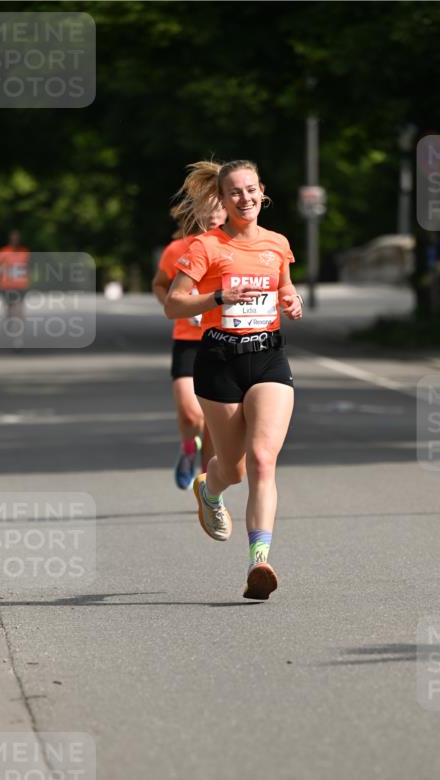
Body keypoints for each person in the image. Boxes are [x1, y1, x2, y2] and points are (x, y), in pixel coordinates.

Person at [165, 160, 303, 600]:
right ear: (222, 201)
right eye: (235, 193)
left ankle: (258, 562)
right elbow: (174, 304)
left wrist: (292, 300)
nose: (245, 199)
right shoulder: (207, 246)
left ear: (262, 192)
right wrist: (218, 296)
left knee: (263, 458)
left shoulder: (277, 244)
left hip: (268, 358)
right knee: (234, 469)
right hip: (219, 360)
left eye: (251, 190)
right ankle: (210, 488)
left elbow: (284, 286)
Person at [153, 195, 227, 488]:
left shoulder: (234, 247)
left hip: (222, 339)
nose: (212, 214)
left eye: (219, 207)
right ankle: (187, 450)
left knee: (213, 422)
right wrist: (172, 307)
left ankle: (208, 485)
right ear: (194, 212)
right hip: (188, 340)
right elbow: (160, 284)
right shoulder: (177, 249)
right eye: (206, 208)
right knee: (190, 413)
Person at [0, 230, 30, 342]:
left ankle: (18, 337)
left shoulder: (25, 252)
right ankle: (9, 322)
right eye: (13, 239)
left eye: (17, 239)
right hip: (6, 286)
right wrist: (0, 270)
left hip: (20, 286)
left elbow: (28, 267)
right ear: (10, 240)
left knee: (19, 311)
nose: (15, 241)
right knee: (10, 310)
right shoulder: (3, 252)